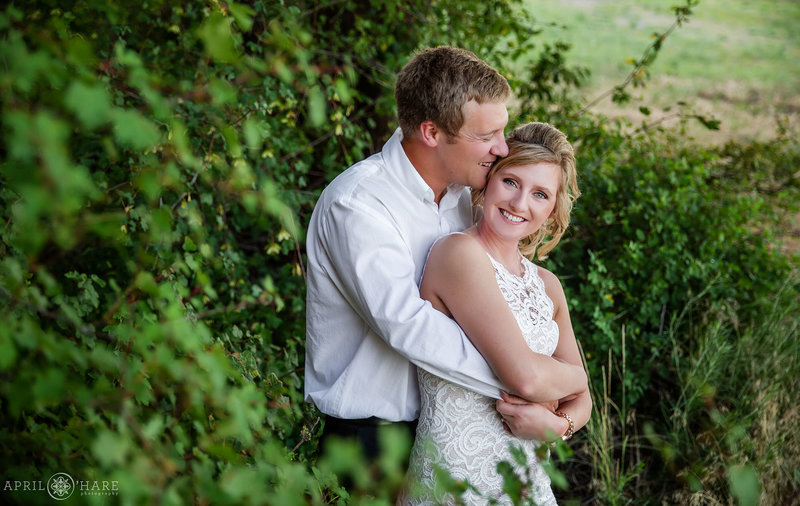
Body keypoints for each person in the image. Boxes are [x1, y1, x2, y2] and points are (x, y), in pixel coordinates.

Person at [305, 46, 571, 463]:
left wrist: (557, 390)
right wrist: (529, 381)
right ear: (432, 133)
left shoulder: (466, 197)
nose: (502, 149)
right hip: (372, 442)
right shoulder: (358, 205)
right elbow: (409, 326)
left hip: (457, 431)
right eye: (486, 136)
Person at [401, 122, 592, 505]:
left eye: (540, 194)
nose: (520, 204)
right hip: (456, 475)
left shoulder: (548, 285)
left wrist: (557, 425)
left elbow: (584, 401)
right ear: (488, 179)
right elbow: (527, 378)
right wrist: (573, 379)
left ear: (553, 210)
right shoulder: (457, 255)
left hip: (527, 477)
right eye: (511, 182)